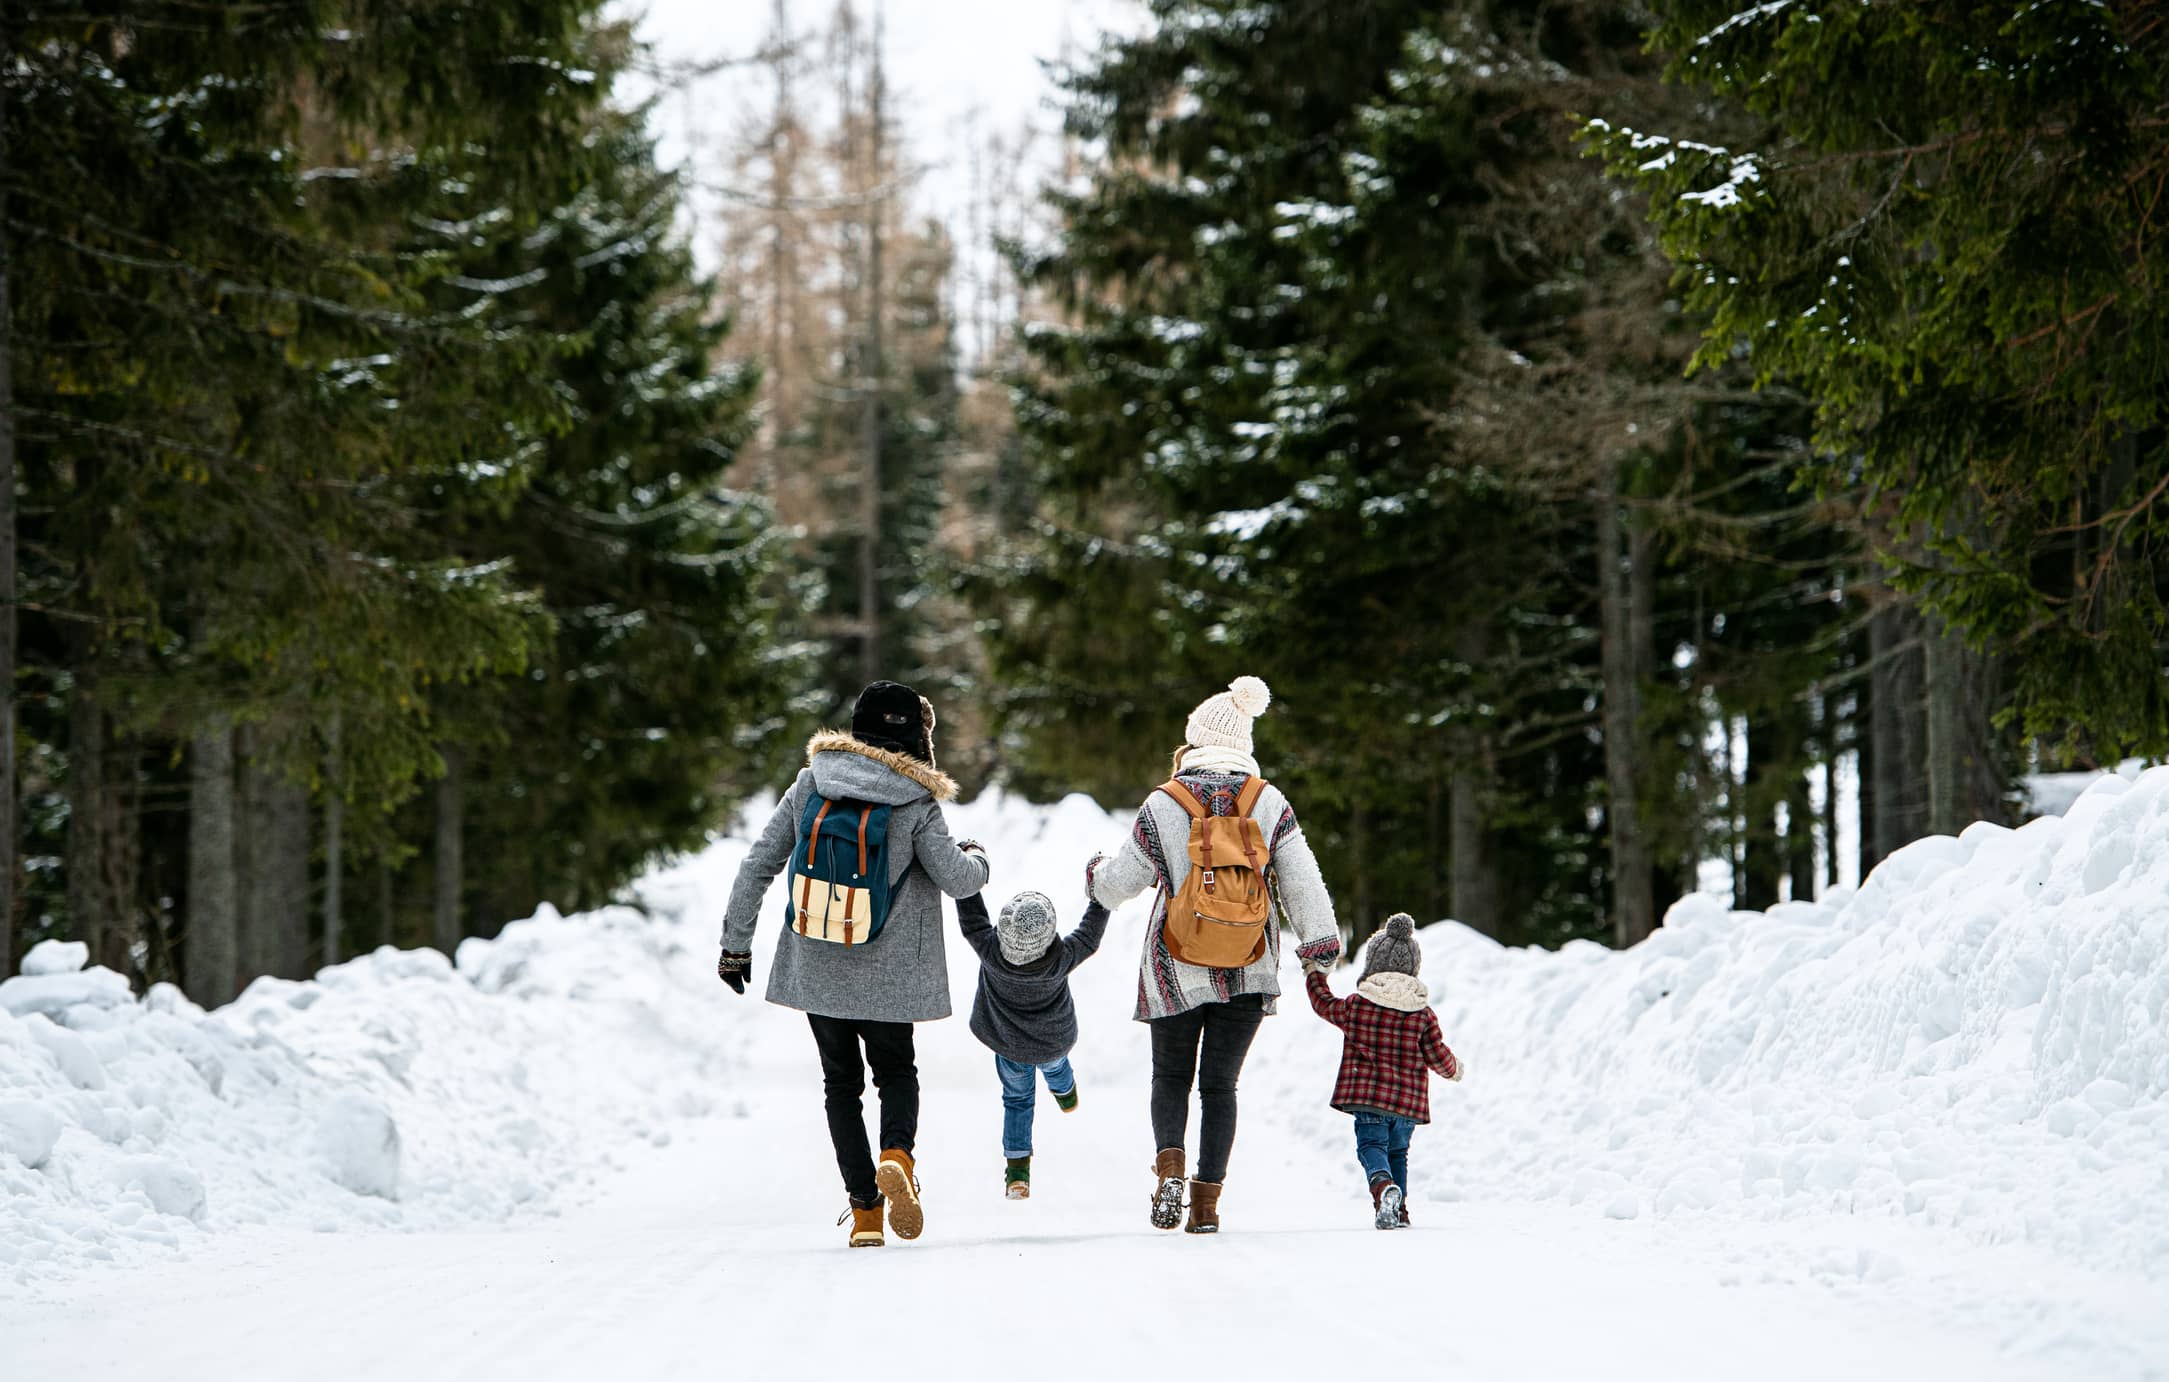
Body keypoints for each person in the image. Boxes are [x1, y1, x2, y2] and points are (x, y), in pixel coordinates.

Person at [716, 681, 991, 1248]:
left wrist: (735, 945)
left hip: (818, 964)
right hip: (891, 974)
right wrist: (978, 857)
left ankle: (865, 1212)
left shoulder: (813, 782)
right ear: (916, 736)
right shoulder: (915, 799)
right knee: (895, 1073)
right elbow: (958, 879)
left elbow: (758, 864)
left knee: (840, 1083)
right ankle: (898, 1158)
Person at [1087, 674, 1342, 1233]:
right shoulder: (1267, 801)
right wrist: (1320, 949)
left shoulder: (1164, 803)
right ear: (1243, 745)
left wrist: (1094, 881)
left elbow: (1121, 883)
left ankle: (1170, 1168)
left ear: (1195, 740)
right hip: (1250, 965)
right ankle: (1205, 1206)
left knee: (1170, 1079)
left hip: (1173, 965)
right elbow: (1302, 882)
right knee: (1220, 1087)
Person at [1302, 913, 1463, 1229]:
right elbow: (1436, 1054)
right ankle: (1399, 1210)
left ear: (1373, 964)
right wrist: (1454, 1068)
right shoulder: (1423, 1014)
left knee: (1372, 1148)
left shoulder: (1358, 1005)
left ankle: (1382, 1188)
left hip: (1369, 1100)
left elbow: (1324, 1004)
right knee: (1398, 1153)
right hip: (1407, 1105)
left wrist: (1314, 973)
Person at [952, 889, 1111, 1199]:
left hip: (1010, 1049)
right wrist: (1100, 896)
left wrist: (966, 868)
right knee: (1058, 1068)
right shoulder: (1061, 959)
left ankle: (1018, 1173)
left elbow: (972, 919)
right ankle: (1065, 1094)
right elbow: (1089, 936)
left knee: (1017, 1101)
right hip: (1053, 1043)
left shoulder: (989, 950)